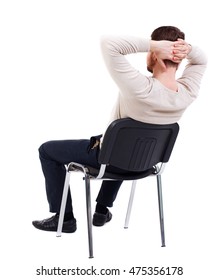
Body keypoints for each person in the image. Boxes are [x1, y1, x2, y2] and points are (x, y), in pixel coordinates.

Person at [32, 26, 207, 233]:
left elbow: (109, 43)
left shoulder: (139, 86)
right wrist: (185, 49)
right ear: (180, 58)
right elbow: (201, 60)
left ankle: (65, 218)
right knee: (125, 145)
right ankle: (101, 211)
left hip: (110, 161)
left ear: (154, 55)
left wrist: (156, 45)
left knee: (47, 150)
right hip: (145, 163)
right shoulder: (188, 92)